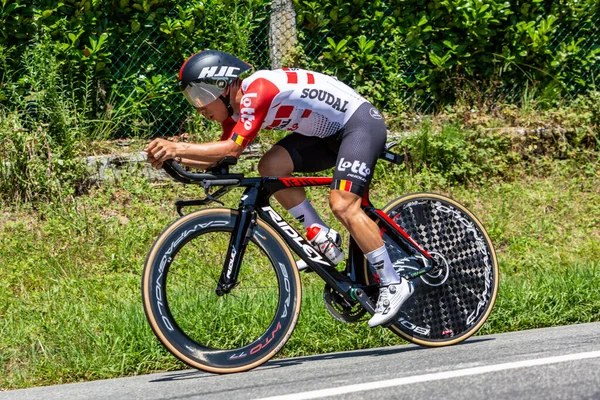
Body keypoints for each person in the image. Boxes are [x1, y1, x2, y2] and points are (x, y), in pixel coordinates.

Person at [145, 50, 413, 327]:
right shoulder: (235, 112)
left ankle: (393, 284)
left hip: (358, 125)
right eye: (193, 99)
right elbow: (223, 158)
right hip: (325, 136)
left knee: (344, 204)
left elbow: (232, 147)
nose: (199, 107)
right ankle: (321, 237)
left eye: (201, 96)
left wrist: (178, 148)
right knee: (271, 168)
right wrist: (173, 158)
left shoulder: (257, 91)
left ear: (223, 86)